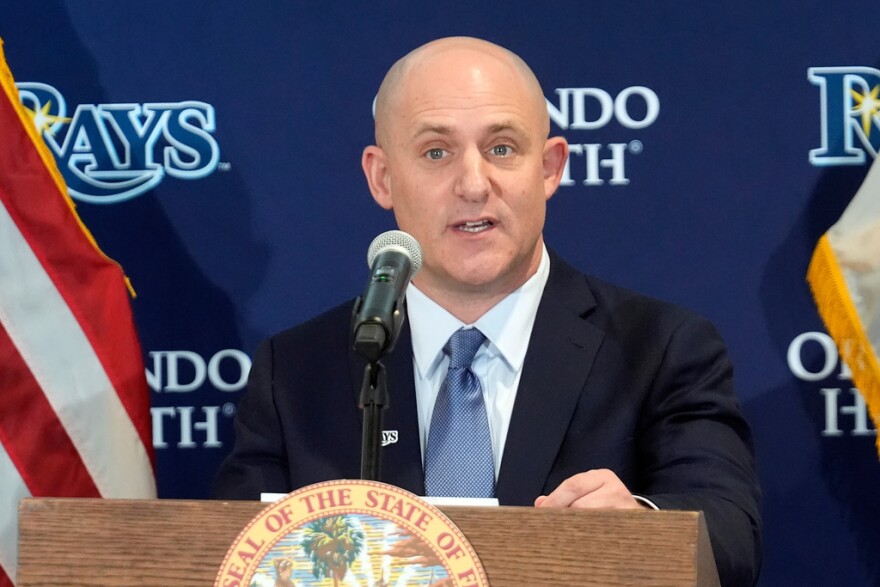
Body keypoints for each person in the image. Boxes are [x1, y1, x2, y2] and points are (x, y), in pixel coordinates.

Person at [212, 36, 761, 586]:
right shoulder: (298, 371)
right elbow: (231, 554)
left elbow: (732, 540)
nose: (474, 184)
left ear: (549, 168)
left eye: (501, 148)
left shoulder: (659, 349)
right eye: (436, 152)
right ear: (382, 177)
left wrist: (639, 527)